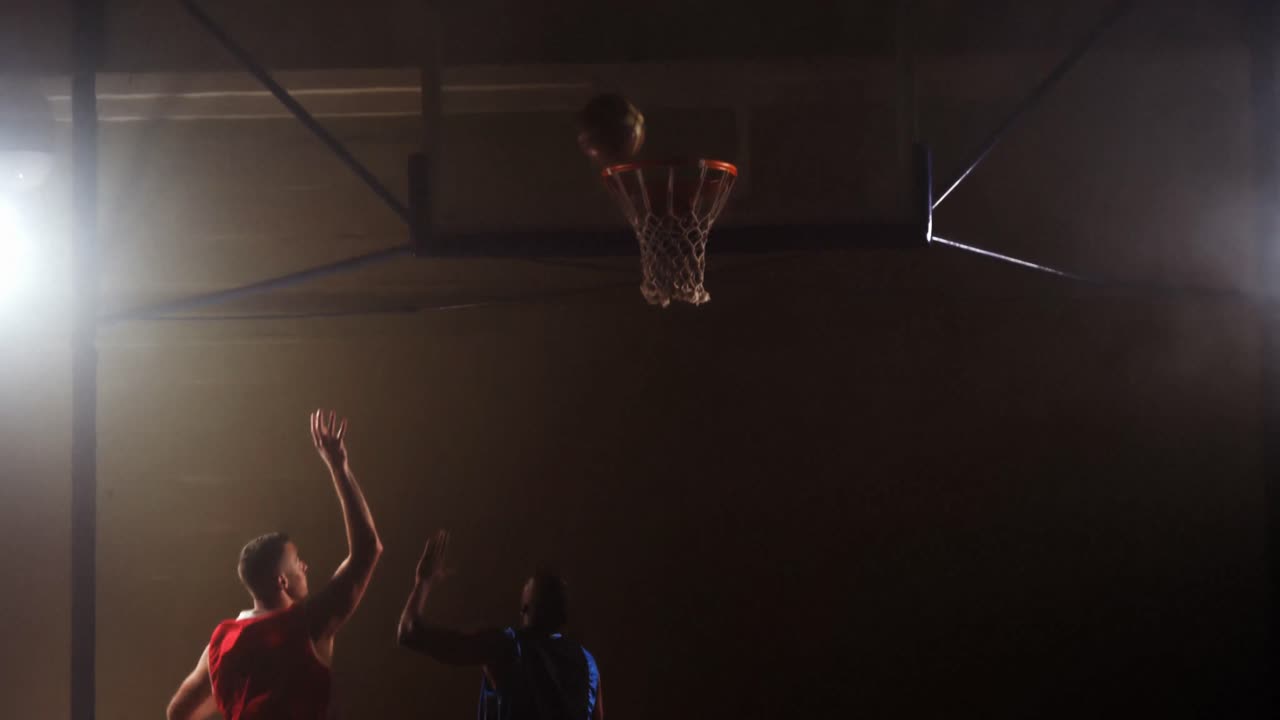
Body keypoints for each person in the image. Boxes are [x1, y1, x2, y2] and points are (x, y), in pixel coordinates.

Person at [166, 409, 383, 720]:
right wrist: (339, 468)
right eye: (297, 561)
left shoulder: (222, 641)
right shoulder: (304, 624)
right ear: (281, 580)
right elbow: (368, 549)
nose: (305, 566)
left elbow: (178, 713)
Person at [398, 531, 603, 720]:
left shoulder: (506, 647)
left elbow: (409, 633)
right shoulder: (588, 664)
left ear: (524, 608)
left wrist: (422, 582)